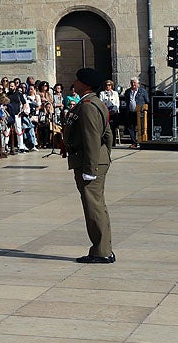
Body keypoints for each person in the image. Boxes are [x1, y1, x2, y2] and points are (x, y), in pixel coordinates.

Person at [62, 68, 114, 263]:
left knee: (93, 207)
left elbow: (92, 138)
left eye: (78, 80)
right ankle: (104, 248)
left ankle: (101, 252)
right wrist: (105, 155)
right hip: (96, 159)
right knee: (98, 206)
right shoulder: (96, 103)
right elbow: (107, 135)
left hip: (88, 161)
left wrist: (91, 168)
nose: (75, 82)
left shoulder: (88, 106)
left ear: (85, 84)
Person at [119, 77, 148, 149]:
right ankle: (134, 142)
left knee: (141, 127)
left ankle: (142, 142)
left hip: (140, 112)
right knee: (130, 127)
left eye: (134, 82)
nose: (133, 84)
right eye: (131, 82)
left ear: (138, 84)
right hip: (130, 112)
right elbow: (126, 100)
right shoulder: (128, 91)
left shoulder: (143, 91)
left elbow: (147, 101)